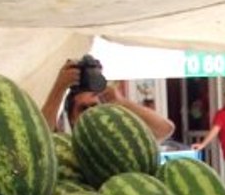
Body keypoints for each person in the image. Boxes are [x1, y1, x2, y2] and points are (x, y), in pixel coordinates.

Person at [40, 58, 175, 141]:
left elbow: (165, 129)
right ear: (72, 119)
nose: (91, 113)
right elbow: (40, 139)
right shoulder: (66, 147)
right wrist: (59, 88)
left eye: (95, 106)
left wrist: (121, 102)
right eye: (83, 109)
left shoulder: (120, 140)